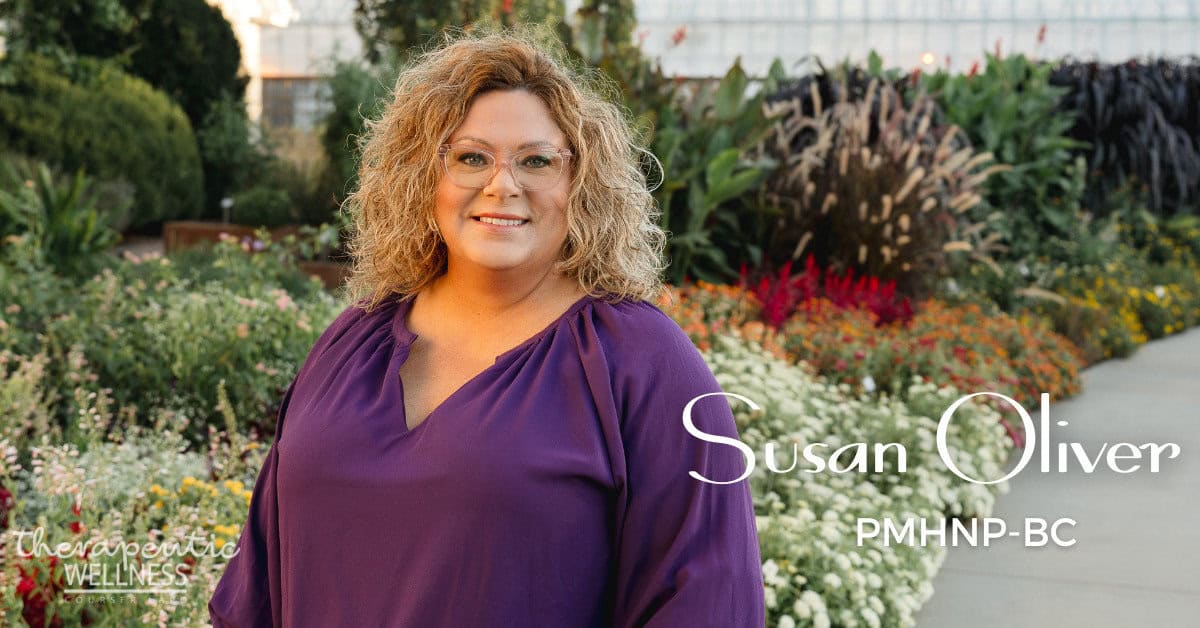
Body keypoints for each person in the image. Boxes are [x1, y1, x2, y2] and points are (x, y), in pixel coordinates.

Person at [208, 27, 764, 627]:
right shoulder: (353, 340)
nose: (503, 184)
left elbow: (707, 600)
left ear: (582, 183)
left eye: (537, 161)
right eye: (471, 157)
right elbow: (258, 580)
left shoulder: (644, 362)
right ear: (424, 176)